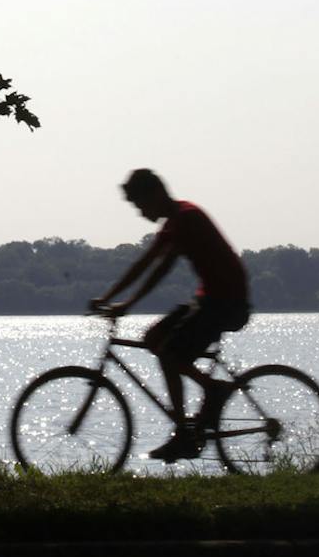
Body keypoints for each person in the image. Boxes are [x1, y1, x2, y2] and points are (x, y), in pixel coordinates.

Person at [89, 167, 252, 461]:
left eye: (140, 205)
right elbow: (145, 263)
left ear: (155, 195)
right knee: (153, 338)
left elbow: (159, 270)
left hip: (226, 303)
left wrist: (125, 304)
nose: (140, 213)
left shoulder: (186, 218)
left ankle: (207, 400)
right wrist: (110, 298)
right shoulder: (174, 221)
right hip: (210, 300)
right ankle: (188, 426)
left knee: (169, 354)